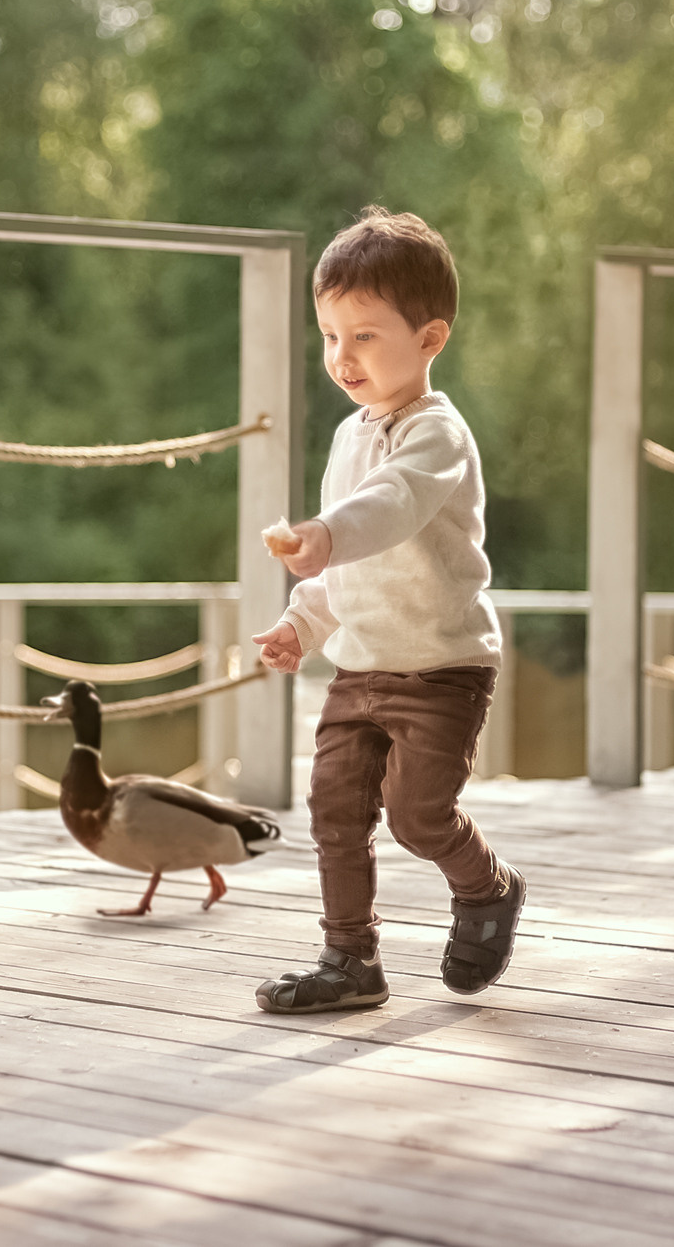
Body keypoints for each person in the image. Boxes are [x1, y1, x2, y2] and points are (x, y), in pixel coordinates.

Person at [251, 206, 522, 1013]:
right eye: (331, 335)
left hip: (443, 666)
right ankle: (350, 959)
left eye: (364, 335)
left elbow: (390, 507)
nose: (343, 356)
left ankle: (487, 888)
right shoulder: (347, 435)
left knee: (418, 814)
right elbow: (354, 561)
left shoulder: (438, 434)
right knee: (334, 808)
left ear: (430, 338)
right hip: (361, 664)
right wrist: (303, 620)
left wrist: (326, 533)